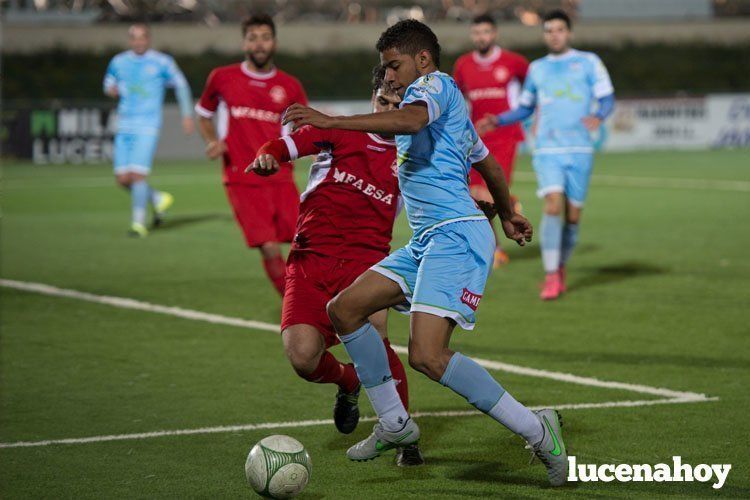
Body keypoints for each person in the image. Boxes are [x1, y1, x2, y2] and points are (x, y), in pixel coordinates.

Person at [282, 20, 568, 487]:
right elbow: (487, 161)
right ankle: (395, 424)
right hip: (429, 240)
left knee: (428, 356)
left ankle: (539, 431)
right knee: (346, 309)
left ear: (422, 60)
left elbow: (412, 118)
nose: (389, 77)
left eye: (393, 66)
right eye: (384, 70)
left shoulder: (435, 87)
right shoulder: (449, 114)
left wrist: (332, 119)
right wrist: (505, 215)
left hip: (455, 238)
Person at [246, 66, 423, 466]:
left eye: (399, 106)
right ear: (372, 98)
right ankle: (347, 381)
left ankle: (404, 433)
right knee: (302, 357)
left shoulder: (412, 154)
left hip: (367, 261)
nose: (389, 111)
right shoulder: (339, 129)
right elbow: (282, 146)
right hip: (311, 257)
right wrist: (266, 158)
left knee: (377, 341)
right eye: (383, 102)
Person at [478, 9, 615, 300]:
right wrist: (499, 119)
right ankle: (552, 276)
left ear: (569, 32)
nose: (554, 35)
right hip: (548, 148)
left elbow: (606, 96)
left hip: (579, 149)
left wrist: (600, 115)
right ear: (544, 34)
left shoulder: (588, 62)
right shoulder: (538, 69)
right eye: (549, 30)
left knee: (573, 218)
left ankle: (560, 267)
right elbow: (526, 107)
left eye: (559, 30)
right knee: (552, 206)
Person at [195, 14, 308, 296]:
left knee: (304, 243)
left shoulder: (290, 85)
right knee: (268, 246)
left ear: (275, 43)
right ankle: (294, 306)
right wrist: (213, 141)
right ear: (244, 42)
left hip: (282, 178)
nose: (259, 44)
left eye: (265, 38)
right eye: (253, 38)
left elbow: (304, 126)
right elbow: (203, 115)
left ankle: (310, 297)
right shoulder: (222, 78)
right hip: (241, 178)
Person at [103, 23, 193, 237]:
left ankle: (138, 223)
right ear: (130, 40)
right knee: (123, 179)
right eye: (134, 38)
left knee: (137, 176)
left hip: (148, 125)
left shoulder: (162, 62)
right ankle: (156, 199)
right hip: (124, 124)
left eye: (142, 37)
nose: (138, 41)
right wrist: (111, 90)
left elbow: (181, 85)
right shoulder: (119, 61)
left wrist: (187, 114)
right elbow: (107, 84)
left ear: (148, 39)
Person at [454, 13, 529, 268]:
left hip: (506, 136)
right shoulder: (463, 65)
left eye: (485, 32)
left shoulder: (514, 62)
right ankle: (496, 246)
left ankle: (494, 245)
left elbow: (533, 92)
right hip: (476, 139)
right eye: (476, 33)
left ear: (494, 33)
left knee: (484, 193)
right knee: (476, 197)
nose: (481, 37)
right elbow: (459, 100)